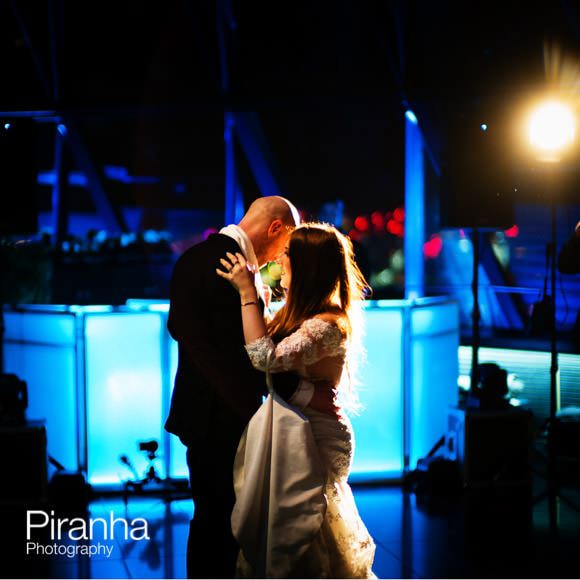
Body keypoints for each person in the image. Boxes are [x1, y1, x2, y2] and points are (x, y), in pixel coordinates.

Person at [164, 196, 338, 579]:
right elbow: (239, 354)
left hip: (217, 415)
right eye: (287, 242)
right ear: (275, 228)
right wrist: (277, 401)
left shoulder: (206, 258)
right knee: (220, 519)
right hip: (220, 418)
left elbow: (187, 330)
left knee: (225, 518)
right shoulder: (219, 263)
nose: (284, 255)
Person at [216, 222, 376, 578]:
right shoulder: (300, 313)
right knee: (287, 525)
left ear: (306, 265)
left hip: (315, 434)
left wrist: (246, 293)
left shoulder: (328, 323)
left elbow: (265, 358)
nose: (280, 260)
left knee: (310, 527)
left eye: (288, 254)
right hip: (296, 427)